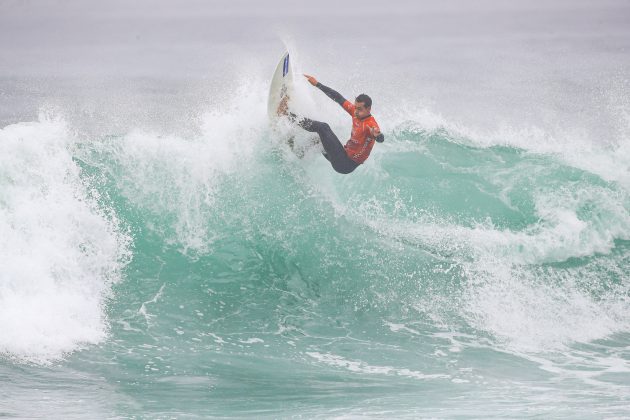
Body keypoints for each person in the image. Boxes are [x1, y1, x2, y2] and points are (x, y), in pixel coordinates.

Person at [281, 74, 384, 174]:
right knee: (318, 139)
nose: (356, 111)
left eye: (360, 109)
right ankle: (299, 153)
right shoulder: (356, 113)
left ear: (368, 109)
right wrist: (317, 84)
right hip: (342, 155)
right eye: (355, 107)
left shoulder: (370, 124)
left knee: (323, 127)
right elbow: (338, 97)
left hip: (345, 164)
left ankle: (288, 115)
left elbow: (380, 137)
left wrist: (377, 135)